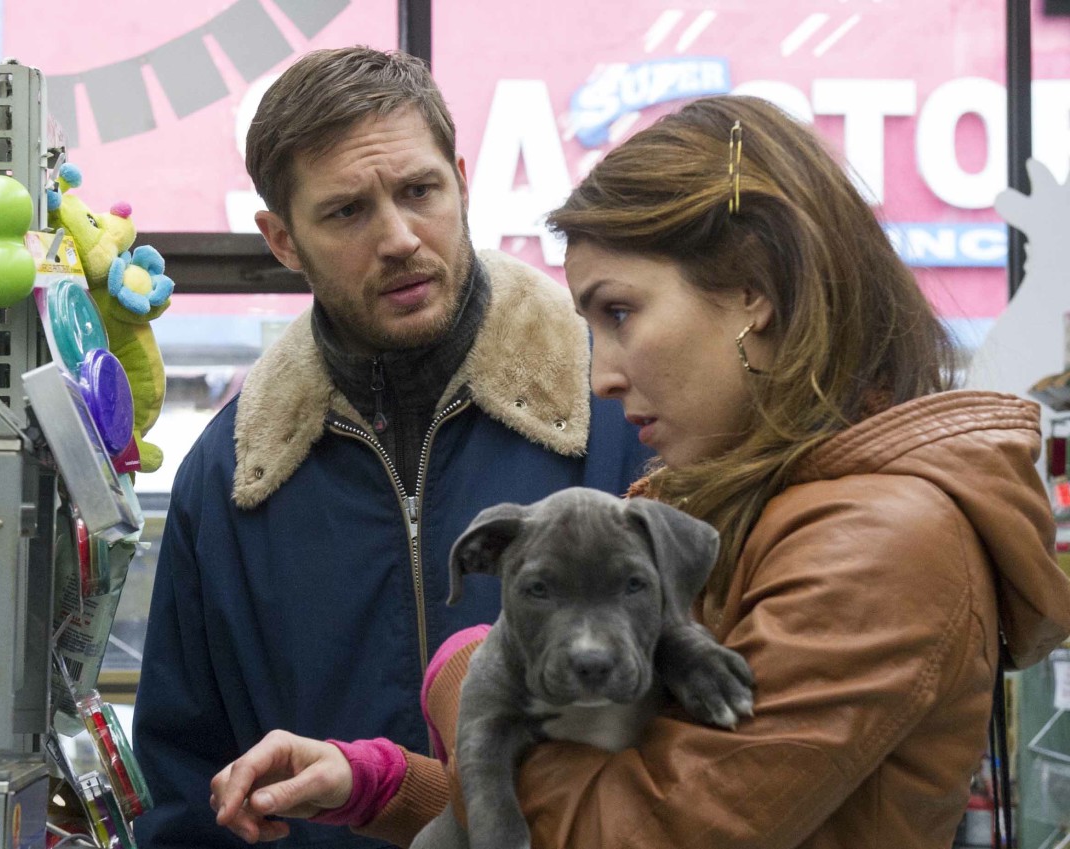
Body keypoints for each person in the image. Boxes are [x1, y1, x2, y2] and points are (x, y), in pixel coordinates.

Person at [209, 94, 1070, 848]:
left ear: (754, 289)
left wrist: (470, 669)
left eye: (620, 311)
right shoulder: (748, 503)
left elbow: (635, 831)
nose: (601, 375)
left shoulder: (880, 544)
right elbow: (605, 795)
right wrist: (383, 785)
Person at [131, 46, 652, 849]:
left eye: (419, 191)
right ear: (282, 240)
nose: (400, 237)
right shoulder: (230, 476)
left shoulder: (625, 412)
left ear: (463, 182)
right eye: (347, 212)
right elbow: (186, 790)